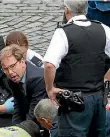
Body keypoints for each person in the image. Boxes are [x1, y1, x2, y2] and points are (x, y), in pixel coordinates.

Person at [43, 0, 110, 136]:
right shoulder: (103, 28)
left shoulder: (63, 33)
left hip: (74, 102)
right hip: (98, 97)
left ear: (66, 10)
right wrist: (106, 77)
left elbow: (49, 64)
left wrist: (50, 89)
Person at [0, 44, 49, 136]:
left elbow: (34, 114)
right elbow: (18, 106)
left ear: (22, 61)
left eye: (12, 66)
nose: (10, 72)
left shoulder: (37, 79)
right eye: (5, 69)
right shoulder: (12, 80)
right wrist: (14, 128)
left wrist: (19, 132)